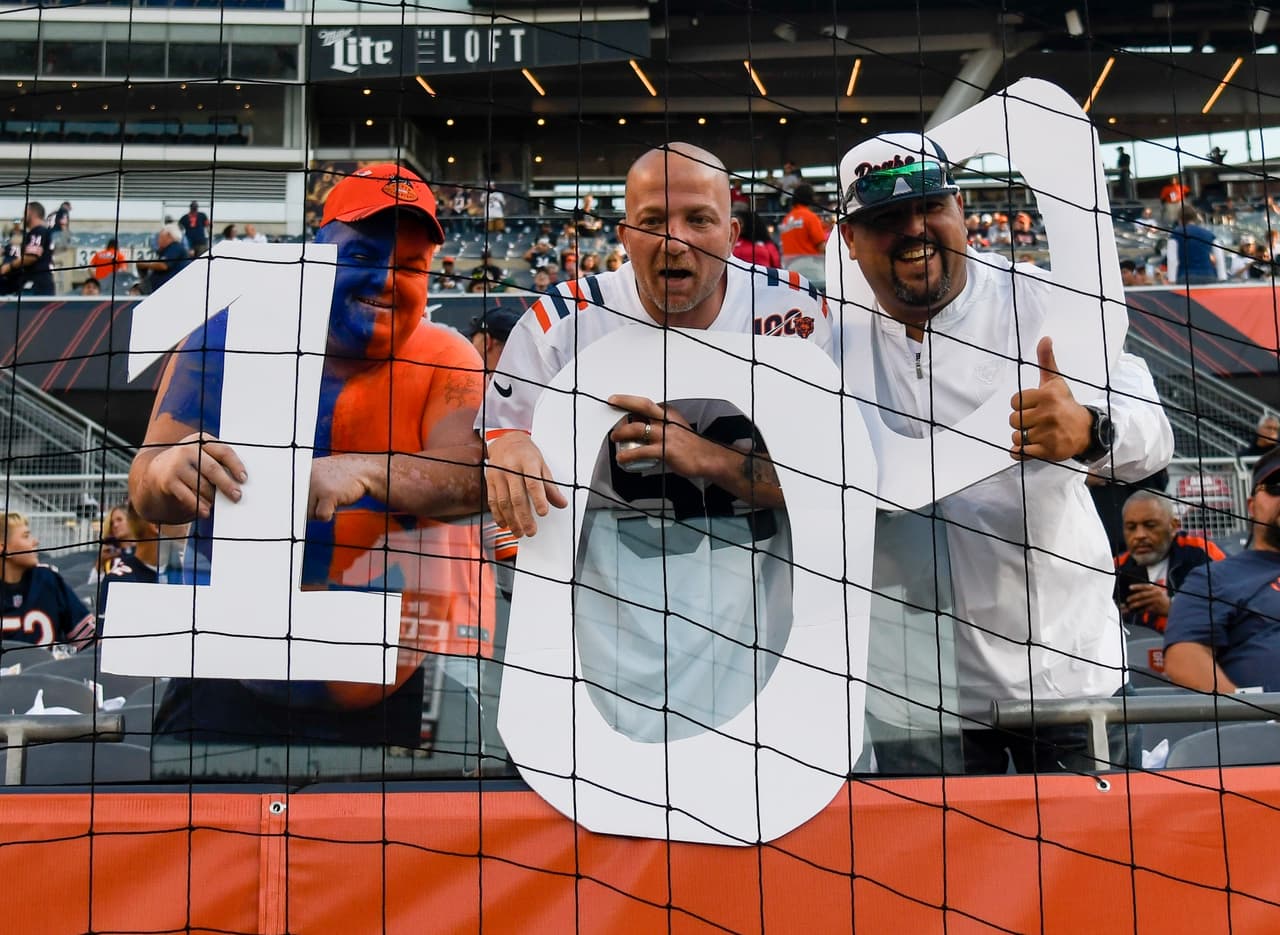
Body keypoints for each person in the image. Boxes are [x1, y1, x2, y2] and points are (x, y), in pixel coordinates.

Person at [833, 131, 1173, 774]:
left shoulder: (1044, 303)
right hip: (917, 692)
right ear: (850, 239)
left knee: (1089, 870)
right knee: (933, 875)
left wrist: (1090, 431)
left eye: (930, 205)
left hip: (1067, 675)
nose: (914, 229)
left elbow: (1153, 433)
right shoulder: (831, 333)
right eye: (883, 218)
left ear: (960, 208)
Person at [128, 163, 490, 747]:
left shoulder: (444, 356)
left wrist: (366, 469)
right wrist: (170, 470)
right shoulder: (224, 340)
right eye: (366, 256)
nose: (387, 280)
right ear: (318, 252)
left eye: (411, 267)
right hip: (223, 677)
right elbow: (145, 486)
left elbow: (475, 476)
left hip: (376, 694)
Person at [482, 142, 831, 740]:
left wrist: (710, 459)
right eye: (652, 222)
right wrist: (507, 445)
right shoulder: (564, 323)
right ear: (624, 234)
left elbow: (837, 483)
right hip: (613, 639)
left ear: (731, 231)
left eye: (698, 218)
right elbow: (500, 436)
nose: (675, 241)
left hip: (765, 631)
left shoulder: (794, 312)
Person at [1164, 448, 1280, 693]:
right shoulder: (1214, 578)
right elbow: (1184, 656)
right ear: (1251, 506)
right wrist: (1256, 717)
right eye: (1275, 487)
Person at [1114, 490, 1224, 634]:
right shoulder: (1115, 568)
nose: (1139, 535)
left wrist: (1172, 607)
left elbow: (1231, 610)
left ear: (1174, 526)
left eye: (1150, 525)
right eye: (1131, 527)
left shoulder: (1202, 555)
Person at [0, 512, 95, 650]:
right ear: (3, 548)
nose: (35, 541)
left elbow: (89, 643)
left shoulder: (48, 580)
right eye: (26, 536)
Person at [0, 202, 54, 295]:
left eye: (24, 213)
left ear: (31, 213)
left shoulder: (38, 231)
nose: (23, 217)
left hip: (36, 285)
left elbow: (31, 257)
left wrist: (9, 266)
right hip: (37, 284)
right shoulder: (40, 232)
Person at [1166, 207, 1226, 284]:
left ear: (1179, 219)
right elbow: (1219, 257)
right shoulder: (1209, 234)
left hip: (1186, 276)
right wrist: (1222, 277)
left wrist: (1172, 280)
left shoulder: (1175, 235)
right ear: (1195, 218)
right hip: (1208, 275)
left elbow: (1172, 259)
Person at [779, 183, 828, 275]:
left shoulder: (786, 219)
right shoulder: (810, 217)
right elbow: (821, 246)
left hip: (789, 268)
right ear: (810, 197)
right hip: (810, 267)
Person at [135, 223, 190, 294]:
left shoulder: (175, 247)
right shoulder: (167, 249)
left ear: (169, 236)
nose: (158, 240)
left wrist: (144, 264)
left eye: (160, 237)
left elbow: (163, 265)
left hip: (167, 290)